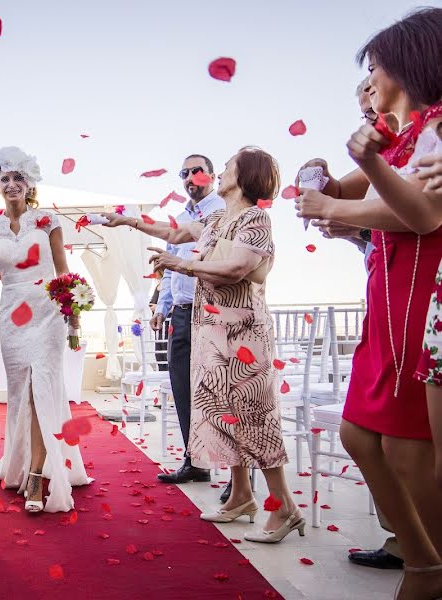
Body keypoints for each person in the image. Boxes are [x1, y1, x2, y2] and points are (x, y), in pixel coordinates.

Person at [295, 9, 442, 596]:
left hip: (418, 292)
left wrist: (332, 208)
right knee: (359, 434)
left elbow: (420, 214)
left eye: (375, 67)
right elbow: (345, 193)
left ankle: (430, 564)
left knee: (408, 447)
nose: (369, 81)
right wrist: (321, 181)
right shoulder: (401, 134)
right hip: (386, 293)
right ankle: (422, 555)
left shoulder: (437, 127)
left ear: (407, 64)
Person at [105, 147, 302, 542]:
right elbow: (175, 232)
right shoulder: (216, 218)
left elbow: (238, 268)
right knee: (225, 414)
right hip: (213, 333)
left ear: (243, 177)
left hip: (244, 335)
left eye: (229, 166)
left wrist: (182, 265)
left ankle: (285, 509)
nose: (223, 169)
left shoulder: (255, 218)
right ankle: (241, 496)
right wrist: (128, 221)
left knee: (255, 418)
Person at [0, 147, 92, 512]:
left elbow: (63, 271)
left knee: (41, 390)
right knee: (21, 393)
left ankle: (36, 476)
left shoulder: (48, 221)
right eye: (5, 178)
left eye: (18, 178)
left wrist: (75, 315)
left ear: (29, 183)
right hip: (12, 317)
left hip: (47, 312)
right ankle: (21, 464)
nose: (12, 184)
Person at [151, 154, 225, 487]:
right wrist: (161, 307)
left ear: (211, 175)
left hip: (212, 311)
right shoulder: (179, 219)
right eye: (185, 172)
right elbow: (168, 268)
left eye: (197, 170)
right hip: (181, 313)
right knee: (183, 389)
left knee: (220, 392)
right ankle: (195, 460)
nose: (191, 176)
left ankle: (238, 480)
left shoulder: (222, 212)